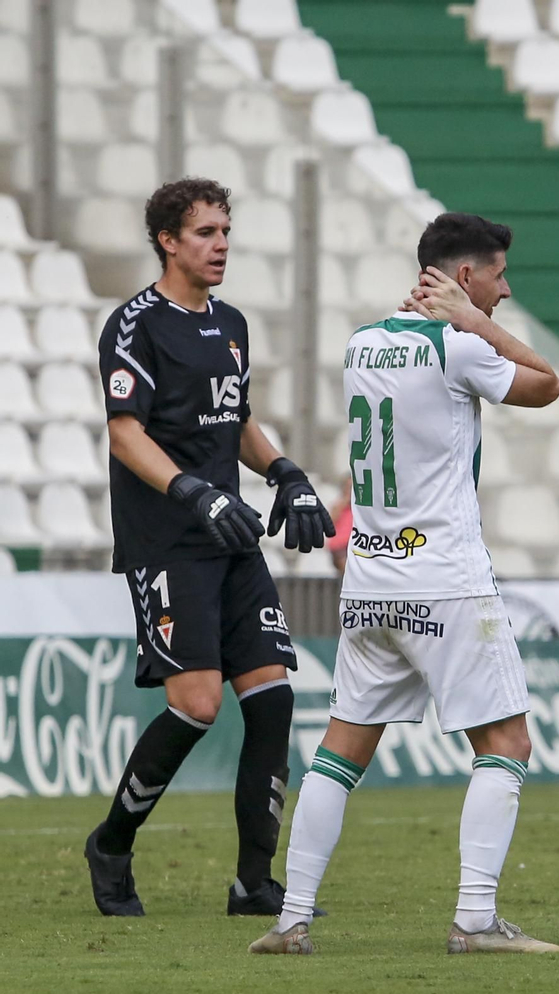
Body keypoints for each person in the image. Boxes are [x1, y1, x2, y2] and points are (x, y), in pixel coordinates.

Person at [248, 213, 559, 956]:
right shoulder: (457, 343)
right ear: (464, 277)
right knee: (506, 742)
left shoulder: (363, 342)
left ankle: (291, 918)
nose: (505, 290)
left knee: (340, 751)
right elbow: (548, 386)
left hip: (370, 578)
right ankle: (476, 920)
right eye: (497, 276)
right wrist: (477, 326)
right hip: (445, 576)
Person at [84, 179, 336, 919]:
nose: (221, 244)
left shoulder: (230, 323)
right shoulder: (134, 325)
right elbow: (124, 433)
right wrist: (191, 491)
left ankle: (253, 883)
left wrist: (285, 471)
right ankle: (111, 844)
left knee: (273, 697)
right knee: (196, 705)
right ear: (168, 241)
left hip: (232, 538)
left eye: (225, 231)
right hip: (167, 541)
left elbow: (237, 419)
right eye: (205, 232)